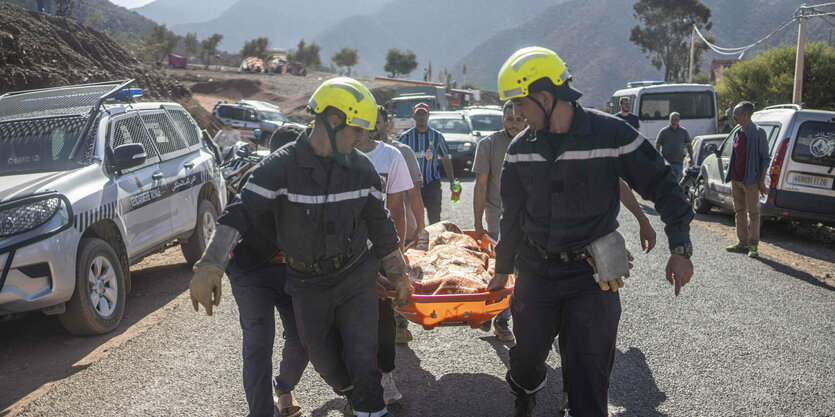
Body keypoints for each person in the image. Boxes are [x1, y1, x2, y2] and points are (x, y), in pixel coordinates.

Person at [487, 46, 694, 417]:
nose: (515, 114)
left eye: (521, 104)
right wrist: (502, 268)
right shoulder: (520, 151)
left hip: (591, 278)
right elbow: (511, 215)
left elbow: (663, 183)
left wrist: (680, 247)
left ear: (546, 96)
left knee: (588, 378)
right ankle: (528, 388)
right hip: (536, 273)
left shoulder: (611, 135)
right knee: (526, 361)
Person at [189, 77, 413, 417]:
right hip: (308, 284)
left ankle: (369, 404)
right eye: (356, 130)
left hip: (355, 276)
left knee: (363, 357)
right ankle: (354, 394)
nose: (362, 139)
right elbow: (240, 213)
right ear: (333, 120)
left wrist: (397, 271)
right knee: (323, 359)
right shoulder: (281, 167)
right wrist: (210, 265)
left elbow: (380, 224)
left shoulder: (362, 170)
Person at [212, 124, 309, 417]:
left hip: (291, 271)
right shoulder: (255, 180)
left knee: (305, 338)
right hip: (251, 270)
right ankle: (261, 412)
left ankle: (283, 387)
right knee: (258, 343)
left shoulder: (307, 179)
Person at [356, 108, 413, 405]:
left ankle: (386, 375)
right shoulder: (335, 155)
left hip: (378, 248)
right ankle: (354, 384)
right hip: (345, 251)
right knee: (348, 318)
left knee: (382, 317)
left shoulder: (391, 156)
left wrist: (397, 253)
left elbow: (397, 209)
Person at [376, 105, 425, 345]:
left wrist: (421, 224)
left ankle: (399, 324)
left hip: (398, 227)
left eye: (377, 121)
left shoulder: (401, 152)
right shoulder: (353, 151)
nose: (373, 126)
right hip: (368, 235)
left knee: (397, 277)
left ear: (387, 123)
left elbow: (414, 193)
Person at [724, 101, 770, 258]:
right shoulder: (737, 132)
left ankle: (753, 246)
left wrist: (762, 181)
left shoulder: (758, 133)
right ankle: (742, 243)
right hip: (736, 179)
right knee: (739, 211)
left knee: (754, 214)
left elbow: (765, 159)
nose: (733, 116)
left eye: (736, 113)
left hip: (751, 181)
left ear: (745, 115)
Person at [399, 102, 455, 225]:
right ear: (413, 117)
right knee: (413, 221)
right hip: (411, 185)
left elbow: (445, 159)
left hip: (431, 184)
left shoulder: (437, 136)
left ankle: (434, 242)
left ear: (428, 115)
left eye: (423, 114)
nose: (421, 117)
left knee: (435, 219)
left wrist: (452, 181)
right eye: (418, 114)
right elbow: (398, 161)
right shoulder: (405, 138)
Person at [655, 112, 694, 182]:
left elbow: (689, 145)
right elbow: (657, 145)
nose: (674, 121)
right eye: (672, 119)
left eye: (675, 119)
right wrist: (658, 158)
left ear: (679, 120)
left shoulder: (683, 132)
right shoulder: (664, 131)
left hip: (678, 162)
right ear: (669, 120)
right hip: (666, 162)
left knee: (676, 181)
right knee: (667, 180)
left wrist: (691, 158)